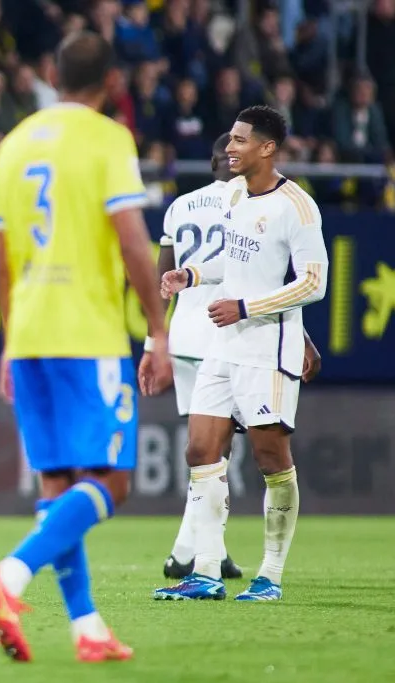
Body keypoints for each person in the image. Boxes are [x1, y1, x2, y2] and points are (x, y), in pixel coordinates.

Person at [0, 32, 170, 663]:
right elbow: (133, 239)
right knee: (113, 481)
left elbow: (1, 254)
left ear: (52, 73)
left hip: (29, 332)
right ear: (112, 82)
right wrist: (159, 329)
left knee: (59, 486)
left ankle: (87, 630)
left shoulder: (13, 143)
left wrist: (8, 339)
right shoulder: (109, 138)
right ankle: (9, 575)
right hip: (88, 334)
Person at [154, 105, 328, 602]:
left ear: (267, 148)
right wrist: (192, 276)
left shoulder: (297, 206)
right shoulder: (234, 194)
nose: (228, 148)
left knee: (270, 457)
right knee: (201, 450)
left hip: (267, 349)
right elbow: (235, 258)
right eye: (230, 140)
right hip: (223, 346)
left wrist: (247, 306)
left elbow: (314, 282)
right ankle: (206, 571)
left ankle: (270, 575)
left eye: (238, 140)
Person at [155, 134, 244, 581]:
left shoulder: (180, 206)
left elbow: (162, 276)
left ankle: (211, 548)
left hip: (183, 332)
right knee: (216, 450)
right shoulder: (251, 204)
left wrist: (155, 340)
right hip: (223, 331)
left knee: (205, 447)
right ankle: (185, 550)